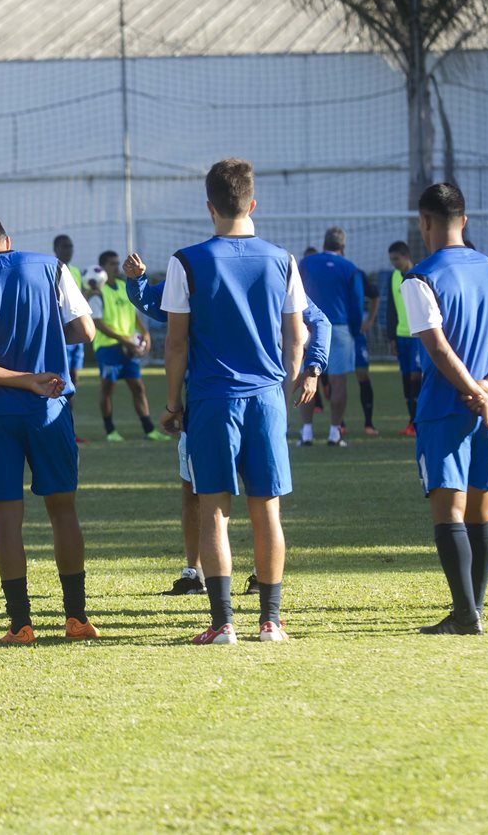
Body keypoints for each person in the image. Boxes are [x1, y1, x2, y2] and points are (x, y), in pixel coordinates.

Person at [160, 157, 307, 644]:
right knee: (268, 511)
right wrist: (281, 386)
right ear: (252, 203)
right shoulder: (283, 259)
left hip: (211, 400)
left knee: (213, 510)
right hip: (265, 398)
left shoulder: (186, 261)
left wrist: (171, 402)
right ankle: (271, 620)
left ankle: (223, 623)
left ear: (209, 207)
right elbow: (296, 336)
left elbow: (176, 342)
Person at [123, 251, 327, 597]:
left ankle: (249, 593)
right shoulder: (201, 268)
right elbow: (161, 305)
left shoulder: (271, 266)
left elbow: (316, 322)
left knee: (251, 500)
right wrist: (137, 281)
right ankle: (197, 575)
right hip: (216, 403)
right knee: (199, 492)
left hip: (236, 402)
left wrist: (313, 367)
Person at [0, 211, 99, 644]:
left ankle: (19, 624)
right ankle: (77, 618)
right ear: (8, 240)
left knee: (6, 519)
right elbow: (86, 331)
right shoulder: (52, 266)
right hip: (50, 405)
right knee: (63, 510)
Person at [401, 184, 488, 635]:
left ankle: (465, 614)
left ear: (425, 222)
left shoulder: (419, 277)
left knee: (450, 512)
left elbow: (436, 346)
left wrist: (472, 390)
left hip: (445, 406)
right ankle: (472, 609)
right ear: (465, 221)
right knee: (482, 510)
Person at [89, 250, 167, 442]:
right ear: (102, 268)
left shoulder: (125, 286)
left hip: (129, 347)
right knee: (108, 389)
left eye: (117, 263)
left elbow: (134, 315)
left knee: (138, 387)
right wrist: (125, 340)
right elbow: (97, 323)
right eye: (112, 264)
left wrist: (145, 333)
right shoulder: (98, 293)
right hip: (108, 347)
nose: (116, 267)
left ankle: (149, 429)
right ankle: (110, 431)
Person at [298, 227, 364, 446]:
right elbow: (357, 303)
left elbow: (294, 293)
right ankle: (335, 432)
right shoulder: (350, 268)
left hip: (309, 326)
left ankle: (306, 432)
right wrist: (355, 330)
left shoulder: (307, 263)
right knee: (338, 382)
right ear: (342, 247)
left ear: (324, 243)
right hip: (339, 327)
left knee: (306, 376)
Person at [53, 234, 89, 444]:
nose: (69, 250)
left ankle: (70, 429)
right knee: (61, 381)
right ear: (56, 249)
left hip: (77, 336)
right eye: (65, 246)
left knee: (73, 381)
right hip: (63, 335)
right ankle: (61, 428)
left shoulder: (74, 271)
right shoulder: (53, 269)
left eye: (71, 246)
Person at [386, 241, 423, 437]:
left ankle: (419, 421)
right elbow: (391, 309)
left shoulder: (419, 274)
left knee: (416, 378)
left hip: (417, 336)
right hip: (401, 337)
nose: (394, 263)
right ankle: (412, 421)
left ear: (406, 256)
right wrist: (391, 337)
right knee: (406, 382)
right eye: (391, 260)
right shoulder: (393, 277)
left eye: (396, 259)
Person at [354, 267, 381, 436]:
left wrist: (369, 320)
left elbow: (375, 295)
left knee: (362, 374)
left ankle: (369, 423)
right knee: (333, 378)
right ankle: (338, 425)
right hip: (337, 331)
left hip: (357, 334)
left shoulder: (356, 273)